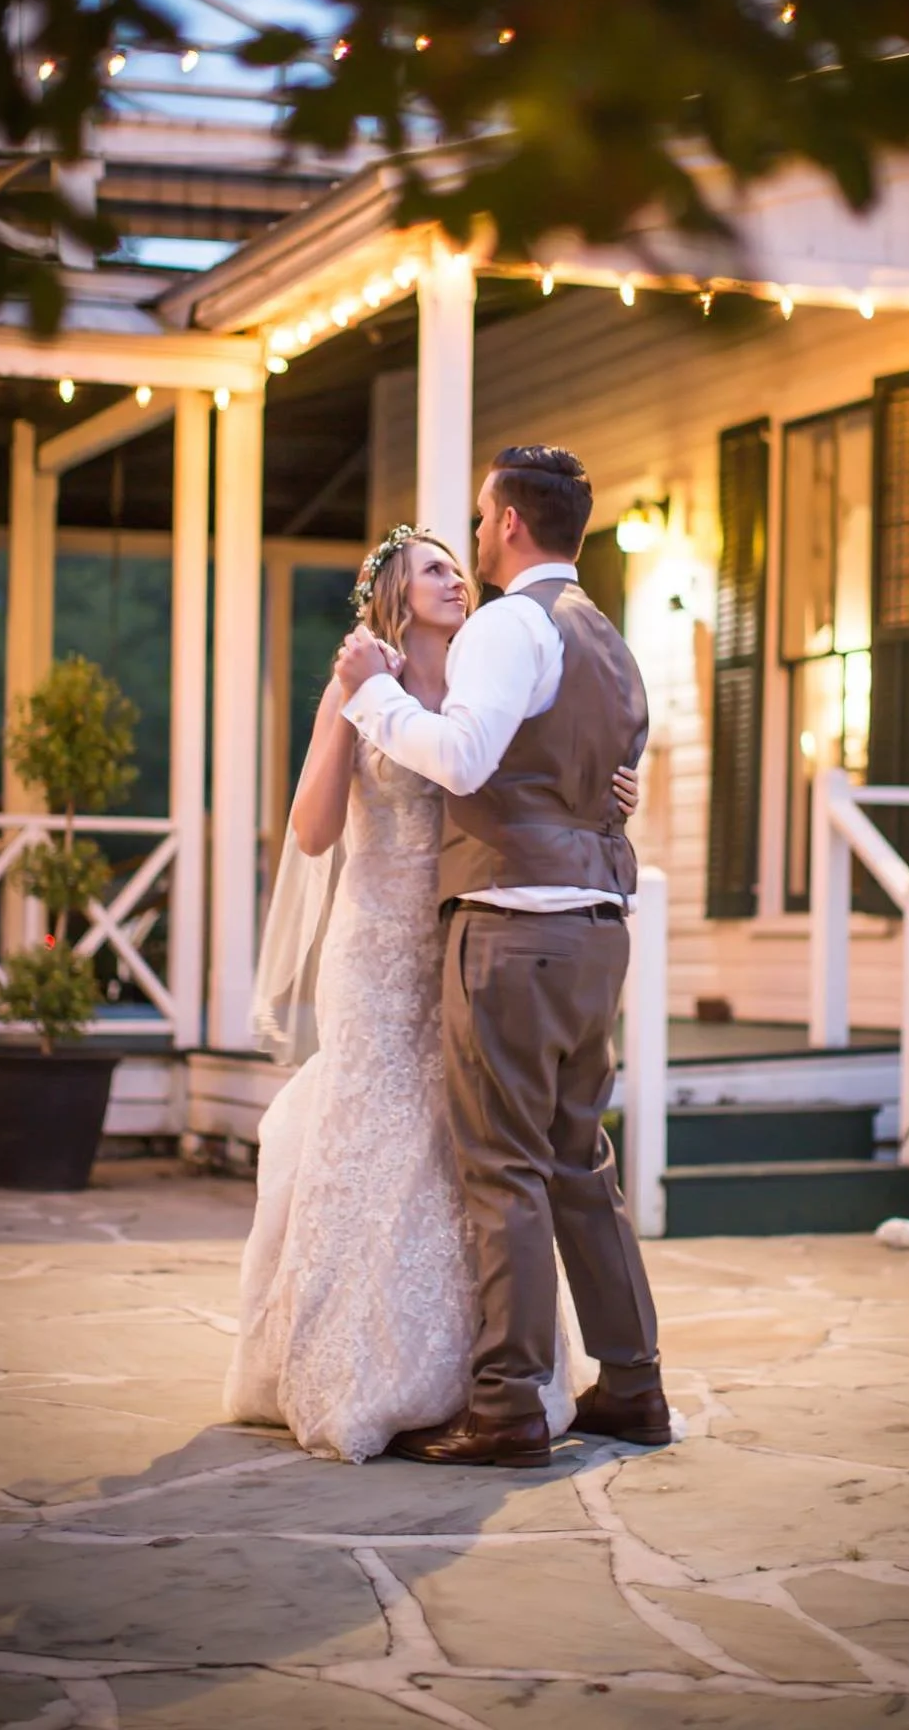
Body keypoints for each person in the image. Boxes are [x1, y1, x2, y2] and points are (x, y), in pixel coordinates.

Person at [223, 524, 639, 1463]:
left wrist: (614, 790)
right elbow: (313, 832)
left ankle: (469, 1376)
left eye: (459, 563)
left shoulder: (493, 681)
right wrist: (351, 707)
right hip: (379, 943)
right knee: (376, 1133)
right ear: (393, 599)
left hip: (475, 932)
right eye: (435, 571)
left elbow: (539, 788)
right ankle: (352, 1364)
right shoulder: (358, 689)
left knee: (469, 1157)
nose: (457, 579)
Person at [334, 444, 670, 1470]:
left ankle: (506, 1402)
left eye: (481, 519)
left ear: (512, 525)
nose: (474, 537)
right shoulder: (608, 636)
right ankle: (632, 1382)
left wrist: (373, 700)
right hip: (597, 930)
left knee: (505, 1170)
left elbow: (467, 755)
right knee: (579, 1162)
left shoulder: (507, 625)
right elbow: (597, 773)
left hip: (514, 927)